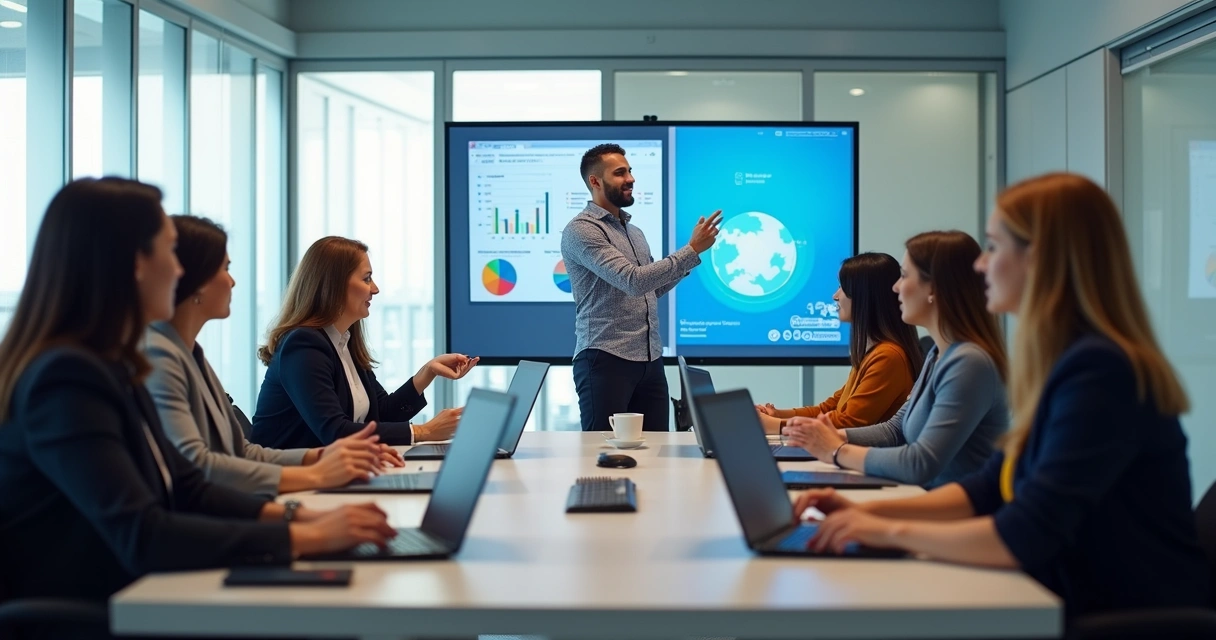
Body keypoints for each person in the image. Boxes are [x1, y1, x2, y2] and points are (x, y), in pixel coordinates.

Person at [795, 173, 1211, 618]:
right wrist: (870, 515)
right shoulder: (1069, 361)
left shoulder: (1100, 372)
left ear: (1043, 258)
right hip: (1069, 595)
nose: (979, 265)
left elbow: (1023, 534)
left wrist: (886, 530)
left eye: (994, 247)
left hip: (1116, 616)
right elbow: (990, 486)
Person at [0, 179, 395, 632]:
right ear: (134, 264)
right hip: (101, 610)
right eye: (171, 252)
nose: (180, 269)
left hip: (142, 591)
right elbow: (143, 532)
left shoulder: (111, 364)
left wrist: (302, 517)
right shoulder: (67, 377)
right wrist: (302, 535)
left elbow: (188, 487)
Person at [145, 215, 405, 498]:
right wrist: (314, 479)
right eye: (225, 268)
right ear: (194, 279)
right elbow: (200, 466)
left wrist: (324, 458)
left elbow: (243, 452)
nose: (232, 281)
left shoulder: (192, 354)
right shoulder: (161, 355)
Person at [782, 231, 1009, 488]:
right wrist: (829, 437)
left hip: (944, 506)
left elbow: (919, 463)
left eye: (904, 275)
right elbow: (894, 430)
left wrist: (836, 450)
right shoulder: (937, 355)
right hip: (924, 499)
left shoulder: (969, 363)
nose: (896, 287)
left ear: (933, 288)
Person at [251, 236, 476, 449]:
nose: (375, 289)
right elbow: (335, 431)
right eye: (366, 278)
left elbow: (383, 414)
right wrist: (424, 431)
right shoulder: (303, 345)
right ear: (334, 285)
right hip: (291, 473)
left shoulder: (343, 342)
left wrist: (428, 372)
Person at [561, 143, 722, 432]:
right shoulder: (582, 230)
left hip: (650, 359)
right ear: (595, 181)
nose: (630, 179)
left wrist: (692, 257)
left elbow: (650, 290)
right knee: (602, 449)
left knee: (657, 447)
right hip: (605, 359)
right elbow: (633, 281)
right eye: (620, 173)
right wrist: (690, 250)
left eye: (630, 171)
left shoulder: (634, 232)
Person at [755, 252, 924, 433]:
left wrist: (776, 425)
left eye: (842, 288)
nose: (835, 296)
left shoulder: (888, 357)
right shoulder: (875, 352)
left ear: (864, 296)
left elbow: (849, 422)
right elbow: (829, 409)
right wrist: (777, 415)